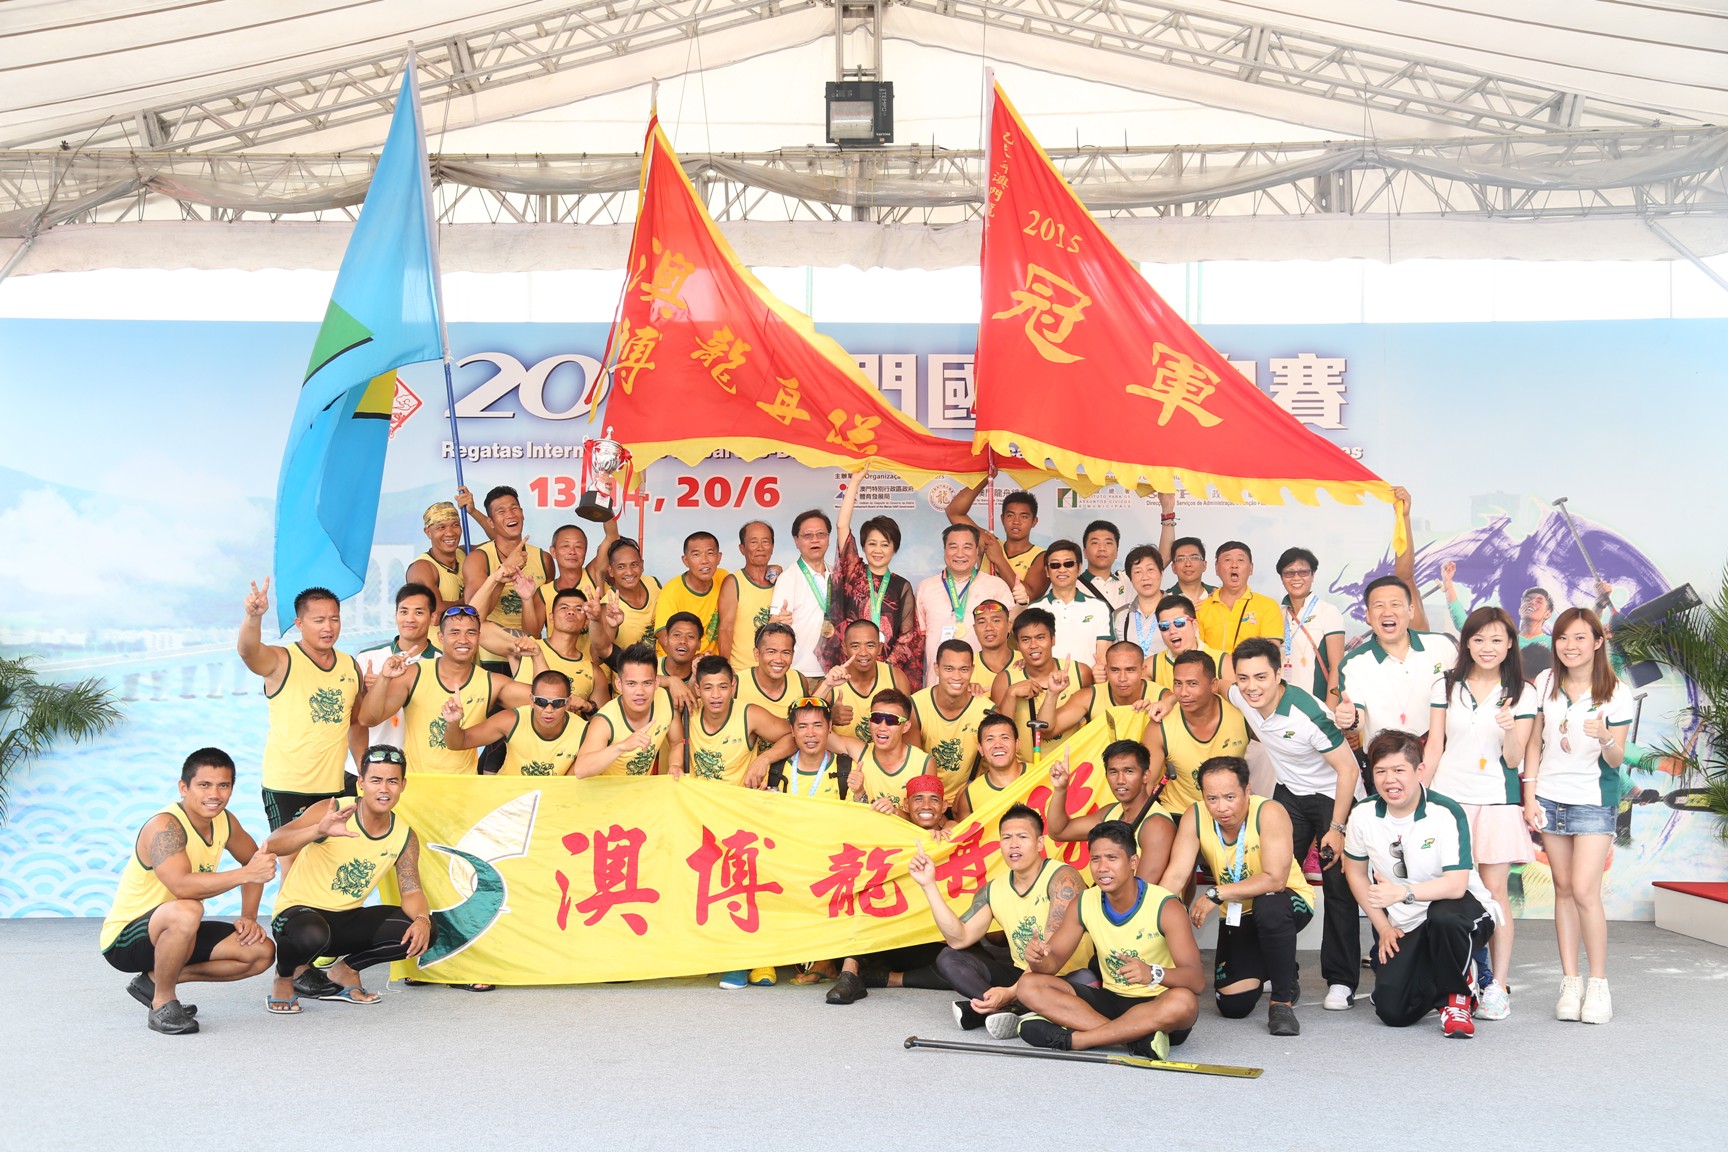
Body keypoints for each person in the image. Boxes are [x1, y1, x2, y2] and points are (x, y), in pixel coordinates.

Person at [99, 748, 277, 1034]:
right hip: (126, 939)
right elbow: (181, 886)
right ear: (184, 787)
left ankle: (153, 980)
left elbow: (254, 862)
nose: (214, 794)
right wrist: (246, 874)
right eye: (204, 785)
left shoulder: (225, 821)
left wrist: (249, 917)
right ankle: (162, 1002)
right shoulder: (165, 826)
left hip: (180, 930)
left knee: (261, 952)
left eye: (223, 785)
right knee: (188, 909)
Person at [1228, 637, 1364, 1011]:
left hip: (1334, 796)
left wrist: (1337, 828)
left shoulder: (1307, 714)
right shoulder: (1240, 695)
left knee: (1338, 887)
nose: (1251, 687)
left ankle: (1341, 981)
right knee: (1274, 878)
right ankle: (1280, 967)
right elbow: (1217, 682)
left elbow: (1348, 770)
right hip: (1290, 793)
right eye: (1244, 678)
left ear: (1278, 674)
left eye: (1260, 677)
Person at [1344, 731, 1502, 1038]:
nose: (1390, 780)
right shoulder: (1362, 815)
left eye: (1399, 770)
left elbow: (1456, 886)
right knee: (1393, 1011)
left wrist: (1401, 893)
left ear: (1419, 771)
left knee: (1444, 916)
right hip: (1408, 923)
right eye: (1380, 771)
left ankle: (1457, 997)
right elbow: (1355, 873)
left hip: (1463, 913)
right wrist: (1383, 927)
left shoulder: (1445, 812)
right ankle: (1446, 974)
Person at [1423, 606, 1536, 1021]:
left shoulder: (1523, 692)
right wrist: (1421, 797)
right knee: (1449, 891)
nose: (1488, 647)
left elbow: (1514, 758)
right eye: (1479, 639)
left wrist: (1509, 727)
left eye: (1496, 640)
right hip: (1447, 800)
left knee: (1495, 894)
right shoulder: (1445, 685)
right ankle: (1456, 981)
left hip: (1495, 801)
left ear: (1510, 644)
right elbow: (1435, 745)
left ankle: (1497, 987)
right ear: (1467, 643)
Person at [1014, 820, 1204, 1059]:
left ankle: (1079, 1040)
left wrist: (1153, 973)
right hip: (1111, 1001)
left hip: (1156, 1002)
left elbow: (1196, 980)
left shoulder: (1166, 906)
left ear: (1133, 862)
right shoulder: (1084, 902)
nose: (1102, 867)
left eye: (1112, 858)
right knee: (1029, 985)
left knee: (1184, 1002)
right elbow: (1051, 965)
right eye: (1096, 859)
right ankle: (1134, 1041)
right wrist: (1038, 958)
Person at [265, 746, 434, 1012]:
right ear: (361, 783)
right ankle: (284, 977)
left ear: (403, 785)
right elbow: (273, 844)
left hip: (346, 920)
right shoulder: (332, 810)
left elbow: (411, 891)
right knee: (312, 933)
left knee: (425, 930)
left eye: (392, 781)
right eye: (376, 780)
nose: (384, 789)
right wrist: (316, 830)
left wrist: (423, 920)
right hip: (298, 916)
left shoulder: (404, 836)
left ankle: (346, 969)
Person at [1524, 607, 1631, 1025]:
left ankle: (1599, 984)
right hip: (1549, 798)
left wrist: (1605, 737)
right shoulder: (1545, 682)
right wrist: (1530, 794)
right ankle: (1570, 982)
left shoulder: (1616, 692)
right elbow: (1534, 743)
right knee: (1564, 889)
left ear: (1598, 642)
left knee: (1586, 890)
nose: (1570, 646)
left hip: (1593, 800)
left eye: (1580, 638)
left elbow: (1616, 759)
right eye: (1563, 638)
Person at [1159, 756, 1312, 1036]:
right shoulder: (1195, 816)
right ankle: (1278, 962)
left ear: (1247, 790)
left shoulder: (1269, 812)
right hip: (1238, 912)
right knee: (1233, 1006)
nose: (1221, 807)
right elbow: (1177, 875)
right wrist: (1150, 912)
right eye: (1212, 798)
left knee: (1269, 906)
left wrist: (1216, 893)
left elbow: (1276, 879)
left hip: (1287, 901)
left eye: (1230, 797)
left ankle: (1282, 1000)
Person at [909, 803, 1093, 1036]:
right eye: (1006, 838)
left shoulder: (1063, 878)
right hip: (1022, 976)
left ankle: (998, 1008)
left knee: (1087, 979)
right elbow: (958, 939)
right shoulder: (993, 889)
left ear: (1039, 843)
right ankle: (1007, 1010)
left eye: (1022, 837)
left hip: (1066, 976)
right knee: (949, 957)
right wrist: (928, 885)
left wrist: (1009, 992)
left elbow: (1051, 954)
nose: (1013, 844)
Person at [239, 581, 362, 831]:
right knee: (290, 854)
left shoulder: (351, 666)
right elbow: (248, 652)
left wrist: (363, 769)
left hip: (334, 786)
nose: (328, 627)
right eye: (319, 620)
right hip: (286, 787)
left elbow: (356, 723)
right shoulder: (281, 660)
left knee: (330, 854)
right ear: (299, 623)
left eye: (334, 619)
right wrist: (253, 618)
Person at [824, 775, 957, 1006]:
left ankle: (888, 979)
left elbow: (962, 831)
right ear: (906, 805)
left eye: (934, 800)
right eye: (918, 799)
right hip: (889, 933)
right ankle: (849, 975)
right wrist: (868, 799)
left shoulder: (950, 834)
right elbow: (861, 829)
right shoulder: (892, 830)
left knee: (971, 965)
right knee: (863, 904)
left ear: (944, 806)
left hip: (931, 940)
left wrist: (951, 828)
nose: (926, 806)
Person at [357, 605, 533, 775]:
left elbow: (544, 701)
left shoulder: (492, 682)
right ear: (441, 637)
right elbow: (367, 719)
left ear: (479, 637)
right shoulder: (413, 674)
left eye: (471, 633)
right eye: (454, 633)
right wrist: (384, 678)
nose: (463, 639)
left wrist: (537, 655)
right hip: (416, 785)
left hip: (462, 788)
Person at [820, 470, 924, 687]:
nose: (878, 550)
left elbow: (906, 637)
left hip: (886, 672)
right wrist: (855, 481)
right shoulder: (854, 572)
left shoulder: (901, 585)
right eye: (872, 543)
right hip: (849, 668)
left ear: (894, 549)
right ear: (864, 546)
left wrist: (885, 667)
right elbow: (842, 527)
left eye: (885, 544)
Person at [1336, 576, 1458, 748]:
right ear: (1368, 616)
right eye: (1379, 606)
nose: (1387, 612)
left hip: (1442, 754)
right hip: (1385, 759)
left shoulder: (1442, 646)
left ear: (1410, 611)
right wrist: (1350, 719)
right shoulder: (1353, 664)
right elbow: (1358, 721)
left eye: (1395, 604)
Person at [1047, 740, 1175, 882]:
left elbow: (1142, 889)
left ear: (1145, 776)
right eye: (1113, 772)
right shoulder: (1110, 812)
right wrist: (1060, 789)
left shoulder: (1157, 825)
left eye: (1129, 771)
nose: (1120, 780)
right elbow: (1059, 831)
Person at [1144, 650, 1249, 820]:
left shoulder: (1241, 714)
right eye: (1178, 683)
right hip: (1179, 813)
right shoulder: (1159, 726)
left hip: (1231, 812)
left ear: (1213, 685)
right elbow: (1146, 785)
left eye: (1192, 684)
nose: (1183, 692)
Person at [350, 583, 439, 775]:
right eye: (404, 611)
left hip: (421, 771)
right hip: (370, 767)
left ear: (433, 618)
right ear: (396, 615)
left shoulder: (442, 663)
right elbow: (355, 719)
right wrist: (367, 692)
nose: (410, 619)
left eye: (418, 612)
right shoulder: (368, 658)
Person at [915, 523, 1016, 681]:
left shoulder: (996, 586)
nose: (960, 554)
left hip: (985, 684)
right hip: (938, 684)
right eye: (953, 547)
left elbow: (1011, 630)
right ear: (944, 550)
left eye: (967, 547)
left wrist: (1022, 603)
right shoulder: (925, 587)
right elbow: (918, 644)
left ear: (977, 550)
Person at [441, 669, 588, 776]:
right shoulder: (511, 720)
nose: (549, 709)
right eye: (541, 702)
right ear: (531, 701)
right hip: (508, 799)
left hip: (552, 801)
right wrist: (453, 724)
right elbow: (458, 743)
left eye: (557, 703)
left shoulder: (583, 731)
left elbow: (571, 784)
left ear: (568, 703)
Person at [993, 607, 1090, 764]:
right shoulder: (1005, 680)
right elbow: (999, 733)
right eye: (1025, 640)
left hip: (1073, 768)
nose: (1033, 645)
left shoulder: (1080, 672)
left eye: (1040, 637)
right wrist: (1011, 693)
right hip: (1026, 772)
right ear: (1018, 644)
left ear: (1053, 639)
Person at [572, 643, 683, 777]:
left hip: (641, 788)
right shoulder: (605, 720)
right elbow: (581, 770)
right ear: (619, 684)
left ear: (657, 683)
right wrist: (622, 746)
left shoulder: (666, 700)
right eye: (631, 684)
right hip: (607, 789)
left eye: (647, 683)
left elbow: (677, 743)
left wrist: (675, 765)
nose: (640, 691)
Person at [681, 656, 794, 787]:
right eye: (708, 688)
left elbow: (794, 735)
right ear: (697, 689)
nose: (716, 695)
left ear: (733, 686)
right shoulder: (689, 711)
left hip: (738, 798)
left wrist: (765, 758)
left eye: (723, 687)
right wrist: (671, 681)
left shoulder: (749, 715)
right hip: (696, 797)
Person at [908, 640, 993, 809]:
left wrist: (969, 795)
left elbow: (997, 766)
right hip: (927, 801)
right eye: (949, 669)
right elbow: (915, 765)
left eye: (964, 669)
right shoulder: (915, 706)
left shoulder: (987, 711)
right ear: (936, 668)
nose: (957, 676)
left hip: (971, 800)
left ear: (972, 670)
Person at [463, 485, 551, 639]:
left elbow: (535, 631)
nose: (510, 514)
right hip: (490, 650)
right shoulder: (478, 559)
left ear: (522, 513)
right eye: (501, 511)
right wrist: (504, 572)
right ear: (491, 522)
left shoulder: (544, 559)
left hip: (529, 648)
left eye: (514, 508)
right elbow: (473, 617)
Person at [1445, 562, 1556, 680]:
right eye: (1527, 600)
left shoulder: (1553, 643)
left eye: (1538, 601)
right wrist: (1448, 585)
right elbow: (1464, 624)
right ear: (1519, 609)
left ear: (1548, 613)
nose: (1532, 603)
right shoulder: (1505, 638)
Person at [826, 688, 932, 811]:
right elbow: (815, 733)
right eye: (876, 718)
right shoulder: (860, 752)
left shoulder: (923, 763)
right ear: (869, 721)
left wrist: (894, 812)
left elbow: (928, 815)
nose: (882, 727)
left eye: (891, 720)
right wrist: (827, 691)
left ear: (906, 726)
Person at [1040, 640, 1160, 746]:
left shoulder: (1161, 696)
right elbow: (1045, 730)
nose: (1122, 678)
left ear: (1143, 670)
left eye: (1130, 670)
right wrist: (1052, 694)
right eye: (1115, 670)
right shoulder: (1089, 696)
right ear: (1106, 670)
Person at [946, 480, 1049, 601]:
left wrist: (999, 560)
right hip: (980, 612)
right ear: (1002, 518)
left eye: (1024, 516)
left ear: (1034, 521)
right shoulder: (989, 543)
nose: (1016, 521)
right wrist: (985, 477)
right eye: (1010, 515)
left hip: (1016, 614)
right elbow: (954, 512)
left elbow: (1028, 596)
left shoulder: (1041, 557)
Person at [513, 587, 608, 717]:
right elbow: (484, 630)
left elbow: (605, 721)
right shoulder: (526, 646)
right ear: (551, 617)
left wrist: (588, 707)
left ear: (586, 621)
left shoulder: (595, 673)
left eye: (578, 609)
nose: (571, 612)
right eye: (564, 608)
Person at [820, 619, 912, 743]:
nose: (863, 653)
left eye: (870, 645)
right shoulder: (831, 682)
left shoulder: (896, 677)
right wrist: (830, 717)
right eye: (855, 646)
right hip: (843, 754)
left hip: (885, 754)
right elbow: (807, 725)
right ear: (844, 648)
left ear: (879, 647)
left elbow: (907, 728)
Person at [1276, 547, 1346, 708]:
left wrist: (1330, 711)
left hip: (1317, 706)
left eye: (1303, 572)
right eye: (1289, 573)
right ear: (1282, 578)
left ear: (1313, 575)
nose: (1296, 578)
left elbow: (1337, 667)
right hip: (1282, 704)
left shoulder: (1328, 611)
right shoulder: (1276, 614)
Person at [770, 508, 835, 678]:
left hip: (835, 671)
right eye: (807, 535)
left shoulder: (836, 575)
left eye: (821, 534)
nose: (815, 540)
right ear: (796, 541)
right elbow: (773, 625)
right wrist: (779, 621)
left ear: (828, 538)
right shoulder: (788, 578)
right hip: (800, 672)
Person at [1032, 538, 1114, 671]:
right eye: (1055, 565)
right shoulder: (1034, 609)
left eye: (1068, 564)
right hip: (1047, 682)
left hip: (1088, 682)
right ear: (1047, 571)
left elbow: (1103, 658)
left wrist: (1097, 674)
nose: (1062, 569)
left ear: (1079, 568)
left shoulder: (1099, 607)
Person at [1195, 541, 1284, 653]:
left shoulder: (1268, 606)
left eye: (1240, 560)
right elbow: (1196, 653)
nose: (1234, 565)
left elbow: (1270, 654)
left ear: (1251, 568)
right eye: (1227, 560)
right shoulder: (1201, 608)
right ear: (1216, 568)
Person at [735, 622, 810, 753]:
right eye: (771, 652)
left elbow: (809, 721)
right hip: (751, 764)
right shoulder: (736, 684)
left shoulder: (799, 681)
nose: (779, 659)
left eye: (786, 652)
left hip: (789, 763)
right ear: (757, 654)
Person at [717, 520, 781, 669]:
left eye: (765, 542)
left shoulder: (782, 580)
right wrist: (726, 671)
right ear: (742, 548)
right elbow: (725, 629)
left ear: (772, 547)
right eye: (753, 542)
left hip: (775, 671)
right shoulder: (734, 582)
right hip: (742, 671)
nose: (760, 548)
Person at [653, 531, 727, 656]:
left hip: (711, 662)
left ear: (719, 557)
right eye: (696, 555)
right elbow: (663, 637)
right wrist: (691, 662)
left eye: (710, 553)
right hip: (677, 661)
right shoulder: (671, 592)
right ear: (685, 560)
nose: (704, 560)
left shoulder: (723, 577)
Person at [1146, 594, 1229, 693]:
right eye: (1164, 626)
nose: (1172, 631)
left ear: (1194, 624)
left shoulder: (1223, 662)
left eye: (1179, 623)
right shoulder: (1151, 666)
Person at [592, 535, 661, 653]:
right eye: (621, 567)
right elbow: (597, 656)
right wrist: (612, 627)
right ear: (611, 571)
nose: (629, 572)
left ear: (642, 565)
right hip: (630, 665)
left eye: (634, 564)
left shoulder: (653, 583)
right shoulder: (607, 607)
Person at [954, 713, 1025, 822]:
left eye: (1005, 738)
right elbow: (964, 832)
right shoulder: (969, 796)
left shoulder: (1041, 775)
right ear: (980, 749)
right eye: (990, 739)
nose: (998, 745)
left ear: (1017, 744)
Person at [405, 499, 470, 613]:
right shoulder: (421, 568)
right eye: (441, 527)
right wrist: (473, 598)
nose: (450, 533)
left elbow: (500, 543)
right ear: (428, 532)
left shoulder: (464, 553)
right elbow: (435, 610)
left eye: (455, 525)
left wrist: (473, 511)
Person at [536, 523, 603, 628]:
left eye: (578, 547)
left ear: (585, 552)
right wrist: (526, 600)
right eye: (565, 546)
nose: (572, 552)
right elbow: (531, 634)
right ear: (553, 551)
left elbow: (611, 538)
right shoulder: (543, 593)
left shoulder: (594, 575)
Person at [1111, 544, 1168, 665]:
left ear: (1161, 573)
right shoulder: (1120, 615)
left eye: (1150, 570)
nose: (1145, 577)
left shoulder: (1179, 609)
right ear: (1130, 578)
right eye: (1137, 572)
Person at [1077, 520, 1130, 612]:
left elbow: (1154, 565)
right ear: (1085, 552)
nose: (1102, 548)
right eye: (1095, 543)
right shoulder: (1073, 587)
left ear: (1117, 552)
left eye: (1108, 543)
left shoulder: (1128, 580)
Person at [966, 600, 1017, 695]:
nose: (989, 628)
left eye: (996, 621)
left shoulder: (1025, 661)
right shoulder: (965, 667)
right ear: (975, 629)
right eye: (981, 622)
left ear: (1009, 626)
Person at [1166, 536, 1214, 604]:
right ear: (1173, 568)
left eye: (1194, 558)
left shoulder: (1218, 595)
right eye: (1181, 559)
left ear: (1204, 565)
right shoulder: (1165, 598)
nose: (1188, 564)